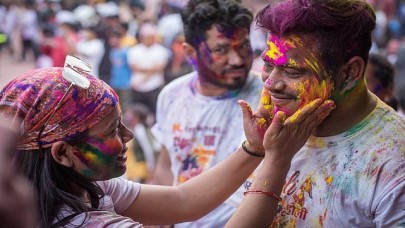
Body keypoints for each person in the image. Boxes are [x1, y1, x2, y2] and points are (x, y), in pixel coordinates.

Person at [0, 55, 334, 227]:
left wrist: (255, 150)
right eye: (112, 132)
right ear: (63, 153)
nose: (128, 136)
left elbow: (182, 201)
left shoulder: (82, 188)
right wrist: (277, 161)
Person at [252, 0, 405, 226]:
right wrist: (254, 151)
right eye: (268, 65)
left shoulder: (394, 166)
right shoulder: (269, 118)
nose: (271, 83)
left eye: (293, 71)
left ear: (349, 73)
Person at [150, 0, 263, 227]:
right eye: (221, 49)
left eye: (243, 46)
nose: (238, 59)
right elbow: (165, 166)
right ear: (190, 52)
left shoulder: (267, 97)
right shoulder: (172, 95)